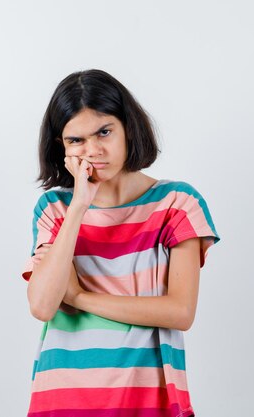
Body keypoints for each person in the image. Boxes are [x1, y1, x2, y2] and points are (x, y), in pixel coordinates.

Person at [20, 69, 221, 417]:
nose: (94, 151)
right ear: (62, 147)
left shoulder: (176, 203)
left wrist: (80, 297)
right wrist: (79, 206)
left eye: (104, 131)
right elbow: (42, 305)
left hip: (148, 396)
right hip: (64, 397)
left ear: (128, 127)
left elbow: (179, 312)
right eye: (76, 140)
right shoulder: (56, 209)